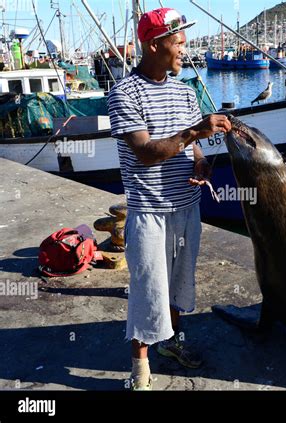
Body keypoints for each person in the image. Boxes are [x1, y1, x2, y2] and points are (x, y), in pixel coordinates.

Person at [107, 7, 231, 391]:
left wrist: (203, 162)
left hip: (186, 208)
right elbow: (145, 152)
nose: (184, 49)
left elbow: (193, 151)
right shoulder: (123, 94)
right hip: (149, 214)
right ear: (155, 44)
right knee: (148, 290)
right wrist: (195, 133)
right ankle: (140, 373)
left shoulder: (184, 90)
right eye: (178, 43)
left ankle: (173, 344)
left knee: (179, 284)